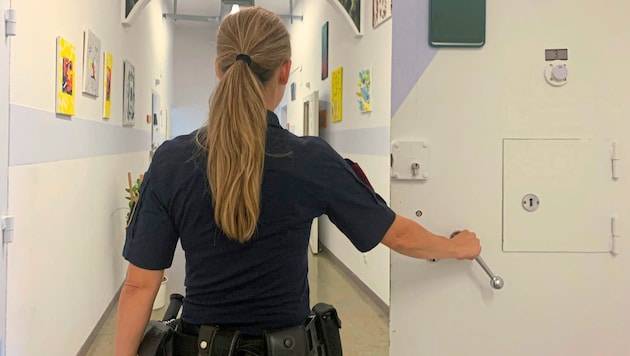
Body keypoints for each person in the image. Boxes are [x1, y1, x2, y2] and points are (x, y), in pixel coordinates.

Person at [114, 6, 481, 356]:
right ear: (285, 70)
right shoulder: (311, 160)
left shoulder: (171, 161)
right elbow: (395, 233)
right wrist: (456, 248)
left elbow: (139, 286)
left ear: (218, 68)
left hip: (201, 347)